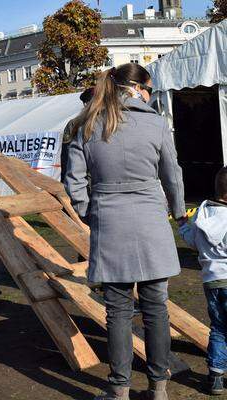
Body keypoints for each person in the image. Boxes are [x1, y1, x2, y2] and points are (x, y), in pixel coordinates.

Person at [64, 63, 186, 400]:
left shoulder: (86, 123)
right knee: (156, 307)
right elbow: (172, 174)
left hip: (109, 220)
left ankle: (120, 389)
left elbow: (73, 180)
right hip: (150, 220)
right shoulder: (156, 122)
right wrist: (177, 212)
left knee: (116, 310)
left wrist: (88, 211)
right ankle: (158, 387)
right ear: (141, 87)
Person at [178, 167, 227, 396]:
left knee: (218, 328)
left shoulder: (201, 215)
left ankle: (216, 377)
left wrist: (182, 225)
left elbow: (192, 242)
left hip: (211, 282)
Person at [60, 87, 95, 183]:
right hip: (86, 182)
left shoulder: (74, 124)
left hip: (85, 182)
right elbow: (66, 157)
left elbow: (67, 158)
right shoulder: (74, 124)